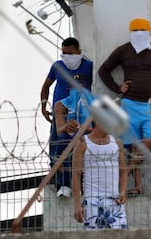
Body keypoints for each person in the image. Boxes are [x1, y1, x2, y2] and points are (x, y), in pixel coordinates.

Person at [98, 17, 151, 196]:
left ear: (149, 33)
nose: (139, 35)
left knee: (150, 140)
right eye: (136, 32)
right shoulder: (123, 50)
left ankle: (125, 173)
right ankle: (137, 186)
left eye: (142, 32)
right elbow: (103, 70)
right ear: (131, 33)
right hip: (129, 104)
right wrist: (118, 88)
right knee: (131, 145)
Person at [40, 37, 93, 196]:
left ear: (78, 51)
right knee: (58, 146)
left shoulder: (89, 66)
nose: (67, 56)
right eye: (64, 53)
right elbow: (46, 86)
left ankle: (80, 184)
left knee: (81, 149)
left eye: (70, 53)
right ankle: (59, 182)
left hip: (81, 114)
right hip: (60, 114)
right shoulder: (57, 66)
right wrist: (43, 105)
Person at [72, 122, 128, 229]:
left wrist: (123, 192)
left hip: (114, 199)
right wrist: (77, 205)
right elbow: (76, 175)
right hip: (92, 200)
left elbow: (123, 171)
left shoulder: (117, 142)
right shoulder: (83, 143)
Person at [53, 87, 93, 197]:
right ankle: (65, 185)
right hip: (71, 138)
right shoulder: (61, 105)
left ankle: (82, 185)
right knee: (63, 140)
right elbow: (59, 130)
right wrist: (68, 126)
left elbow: (101, 130)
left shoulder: (94, 103)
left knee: (78, 141)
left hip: (89, 137)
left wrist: (82, 128)